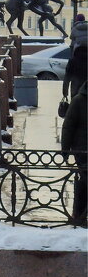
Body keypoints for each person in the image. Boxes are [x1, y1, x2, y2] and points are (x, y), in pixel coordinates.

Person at [61, 81, 87, 227]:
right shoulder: (79, 101)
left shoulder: (78, 100)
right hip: (83, 150)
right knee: (83, 181)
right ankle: (79, 214)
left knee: (83, 182)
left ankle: (79, 214)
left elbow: (68, 126)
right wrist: (65, 150)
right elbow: (68, 126)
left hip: (81, 148)